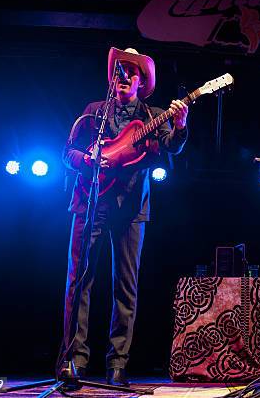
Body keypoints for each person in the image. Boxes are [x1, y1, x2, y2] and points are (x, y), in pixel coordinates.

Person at [60, 47, 188, 386]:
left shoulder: (152, 115)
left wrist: (179, 126)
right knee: (79, 280)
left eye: (132, 71)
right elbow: (67, 152)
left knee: (125, 287)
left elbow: (172, 146)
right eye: (120, 69)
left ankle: (118, 364)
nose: (125, 76)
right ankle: (74, 360)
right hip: (89, 201)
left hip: (131, 208)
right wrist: (86, 161)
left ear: (142, 81)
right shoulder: (93, 113)